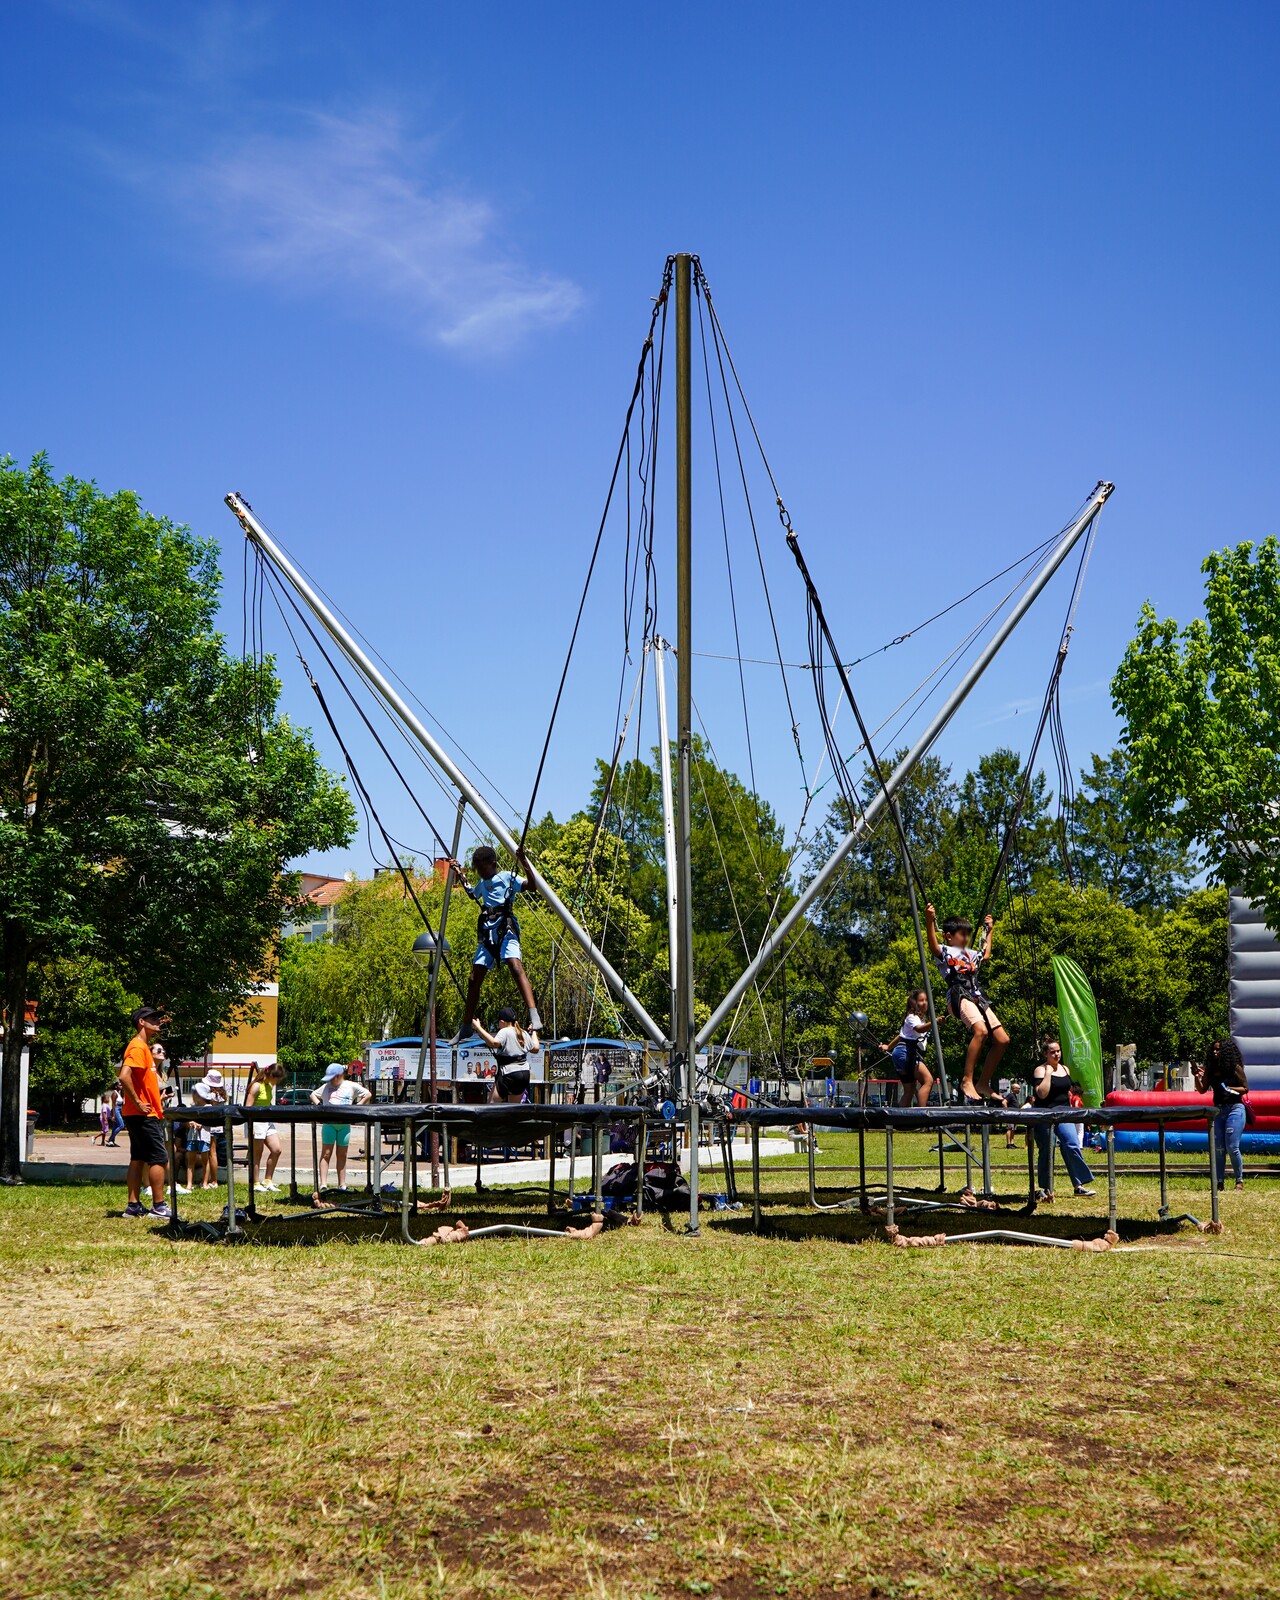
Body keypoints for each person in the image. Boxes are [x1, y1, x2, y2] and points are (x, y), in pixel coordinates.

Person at [450, 845, 544, 1036]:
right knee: (473, 978)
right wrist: (459, 872)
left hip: (506, 929)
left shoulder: (507, 877)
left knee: (515, 966)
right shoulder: (482, 883)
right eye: (477, 869)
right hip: (487, 932)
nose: (479, 872)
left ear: (492, 864)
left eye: (481, 868)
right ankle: (466, 1025)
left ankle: (534, 1014)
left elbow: (532, 886)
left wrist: (523, 861)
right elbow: (472, 893)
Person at [925, 905, 1010, 1103]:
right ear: (949, 936)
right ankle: (967, 1080)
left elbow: (985, 954)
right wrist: (929, 921)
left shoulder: (970, 954)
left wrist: (990, 931)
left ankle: (983, 1082)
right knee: (981, 1031)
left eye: (967, 935)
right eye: (962, 935)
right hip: (958, 995)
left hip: (977, 996)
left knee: (1002, 1040)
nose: (966, 938)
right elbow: (933, 946)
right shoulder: (945, 951)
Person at [118, 1007, 171, 1219]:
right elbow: (124, 1076)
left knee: (138, 1158)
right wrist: (139, 1102)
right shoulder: (138, 1047)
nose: (158, 1021)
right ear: (141, 1022)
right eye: (153, 1018)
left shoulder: (144, 1048)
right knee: (159, 1158)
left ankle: (133, 1206)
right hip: (143, 1114)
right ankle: (159, 1206)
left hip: (138, 1113)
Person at [1030, 1039, 1095, 1201]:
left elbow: (1067, 1092)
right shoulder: (1040, 1070)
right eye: (1052, 1052)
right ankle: (1045, 1188)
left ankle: (1078, 1185)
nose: (1056, 1054)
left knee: (1071, 1143)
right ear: (1045, 1054)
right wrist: (1048, 1074)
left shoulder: (1065, 1069)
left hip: (1064, 1112)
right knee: (1047, 1149)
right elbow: (1042, 1094)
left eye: (1058, 1051)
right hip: (1044, 1113)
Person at [1195, 1039, 1249, 1191]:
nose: (1215, 1052)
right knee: (1218, 1148)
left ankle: (1239, 1181)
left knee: (1232, 1146)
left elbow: (1245, 1088)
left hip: (1235, 1108)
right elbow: (1202, 1089)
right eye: (1213, 1049)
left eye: (1218, 1049)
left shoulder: (1235, 1068)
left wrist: (1230, 1089)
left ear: (1225, 1052)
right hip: (1218, 1110)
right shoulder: (1211, 1069)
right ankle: (1219, 1182)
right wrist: (1196, 1076)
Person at [310, 1063, 371, 1192]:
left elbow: (367, 1094)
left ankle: (342, 1184)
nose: (331, 1081)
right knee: (326, 1153)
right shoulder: (326, 1087)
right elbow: (313, 1095)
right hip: (329, 1125)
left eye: (332, 1078)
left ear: (339, 1076)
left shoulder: (350, 1086)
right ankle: (323, 1183)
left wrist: (358, 1106)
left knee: (342, 1154)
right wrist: (319, 1105)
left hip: (344, 1126)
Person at [876, 989, 934, 1107]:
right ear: (914, 1003)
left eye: (926, 1000)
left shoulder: (918, 1019)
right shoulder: (912, 1017)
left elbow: (901, 1036)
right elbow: (919, 1029)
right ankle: (922, 1114)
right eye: (921, 1000)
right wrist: (934, 1022)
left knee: (910, 1089)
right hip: (906, 1053)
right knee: (928, 1080)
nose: (925, 1003)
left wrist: (888, 1047)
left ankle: (902, 1117)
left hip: (901, 1053)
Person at [471, 1008, 536, 1103]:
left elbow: (494, 1043)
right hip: (524, 1074)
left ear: (502, 1022)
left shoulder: (505, 1031)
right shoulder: (523, 1033)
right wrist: (534, 1031)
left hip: (510, 1073)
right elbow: (535, 1048)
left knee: (491, 1104)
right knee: (513, 1107)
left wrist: (478, 1027)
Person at [245, 1062, 287, 1192]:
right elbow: (247, 1107)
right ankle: (255, 1183)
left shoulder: (269, 1086)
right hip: (256, 1123)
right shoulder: (256, 1086)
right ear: (272, 1075)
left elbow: (267, 1103)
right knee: (257, 1154)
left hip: (267, 1122)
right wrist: (250, 1126)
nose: (278, 1082)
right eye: (278, 1079)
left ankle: (268, 1181)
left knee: (276, 1150)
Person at [190, 1069, 228, 1189]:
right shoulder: (221, 1096)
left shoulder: (211, 1096)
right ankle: (213, 1180)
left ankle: (213, 1180)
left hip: (209, 1126)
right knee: (213, 1153)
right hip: (218, 1126)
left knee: (211, 1153)